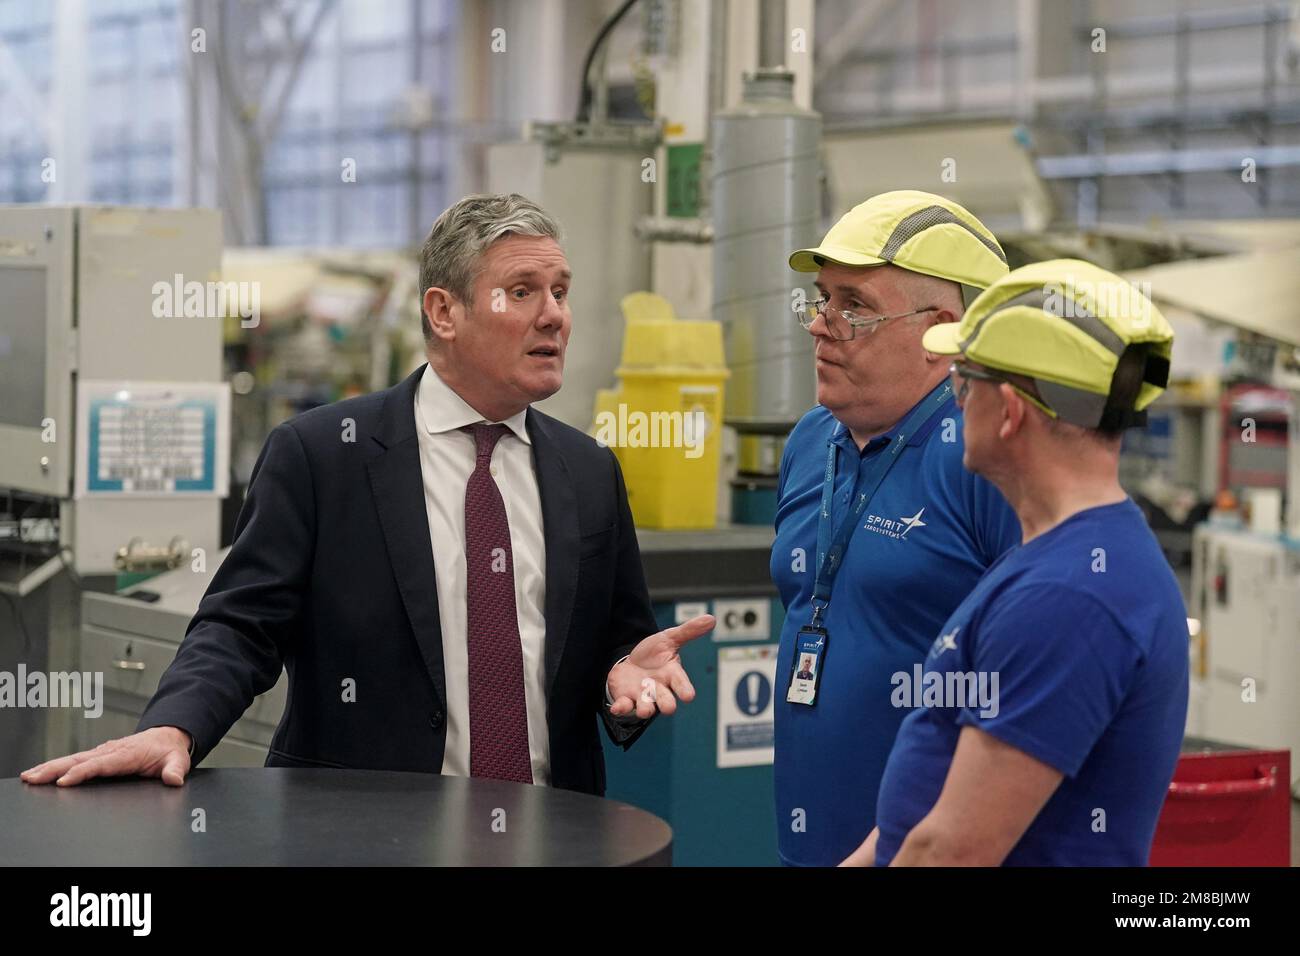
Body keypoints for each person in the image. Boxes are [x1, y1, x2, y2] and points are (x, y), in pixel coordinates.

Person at [23, 193, 713, 794]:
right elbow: (241, 626)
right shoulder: (323, 456)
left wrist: (627, 676)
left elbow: (617, 650)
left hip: (550, 834)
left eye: (560, 291)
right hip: (359, 836)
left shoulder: (588, 471)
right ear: (443, 312)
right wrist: (175, 727)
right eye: (522, 291)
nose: (555, 316)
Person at [849, 258, 1187, 866]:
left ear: (1010, 411)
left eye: (962, 383)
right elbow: (922, 812)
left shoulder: (1073, 595)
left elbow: (955, 850)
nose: (955, 406)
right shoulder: (1051, 561)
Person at [772, 190, 1021, 866]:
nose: (822, 324)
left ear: (943, 330)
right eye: (821, 299)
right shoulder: (809, 440)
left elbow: (1026, 691)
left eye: (854, 307)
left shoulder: (985, 460)